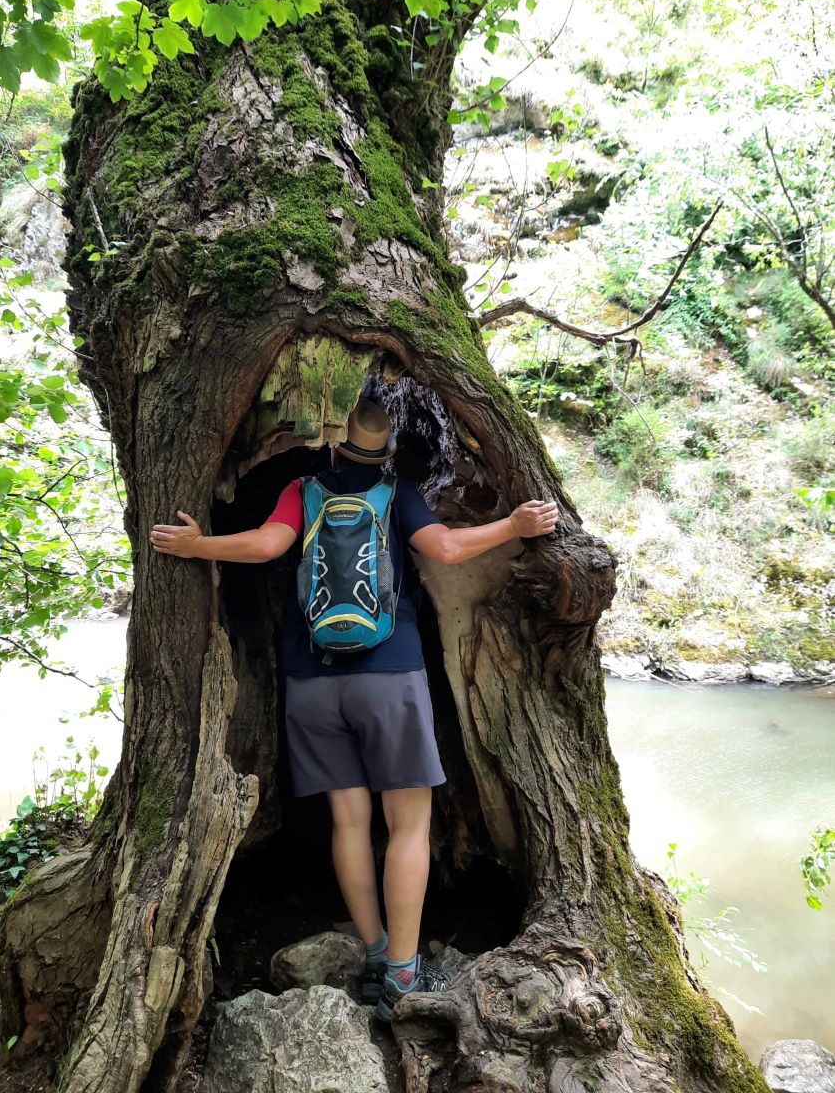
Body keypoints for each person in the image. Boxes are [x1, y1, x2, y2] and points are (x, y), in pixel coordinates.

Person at [150, 398, 558, 1022]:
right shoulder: (397, 491)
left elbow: (265, 546)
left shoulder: (301, 487)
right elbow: (445, 549)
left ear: (335, 443)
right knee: (409, 824)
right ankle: (401, 969)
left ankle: (370, 950)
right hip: (388, 675)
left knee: (348, 822)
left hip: (312, 680)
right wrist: (513, 528)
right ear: (385, 449)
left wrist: (196, 544)